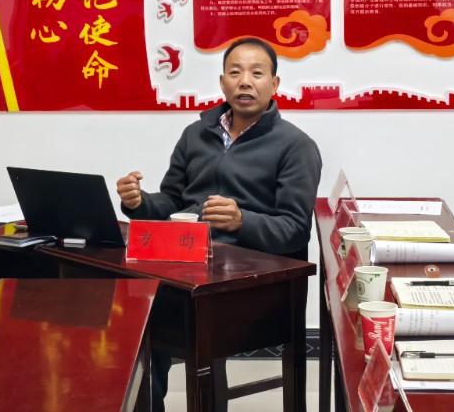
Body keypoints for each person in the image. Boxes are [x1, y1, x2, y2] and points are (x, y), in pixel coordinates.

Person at [116, 37, 322, 411]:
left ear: (275, 84)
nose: (245, 82)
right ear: (223, 82)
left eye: (257, 73)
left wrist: (243, 221)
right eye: (235, 72)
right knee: (137, 313)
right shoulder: (196, 134)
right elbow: (172, 202)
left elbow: (294, 229)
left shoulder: (296, 146)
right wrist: (139, 202)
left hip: (253, 280)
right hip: (190, 267)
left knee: (162, 311)